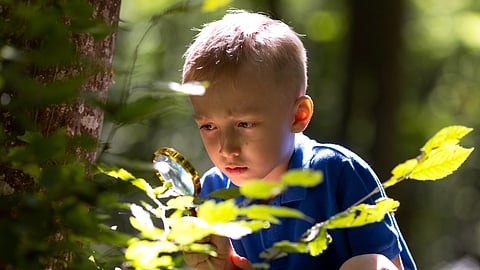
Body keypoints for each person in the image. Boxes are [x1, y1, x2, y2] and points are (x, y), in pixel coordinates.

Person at [181, 9, 416, 270]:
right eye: (209, 126)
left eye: (245, 124)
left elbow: (387, 266)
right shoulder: (213, 191)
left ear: (298, 116)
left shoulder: (337, 173)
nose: (227, 149)